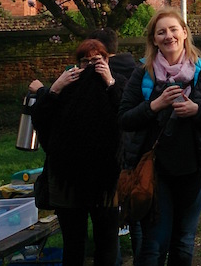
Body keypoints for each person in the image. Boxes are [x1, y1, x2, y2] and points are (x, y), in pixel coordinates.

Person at [118, 8, 201, 266]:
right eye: (161, 32)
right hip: (155, 170)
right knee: (155, 242)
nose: (169, 36)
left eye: (173, 29)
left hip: (195, 167)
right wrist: (154, 105)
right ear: (154, 40)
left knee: (184, 241)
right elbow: (124, 118)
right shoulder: (143, 73)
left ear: (185, 33)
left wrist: (197, 111)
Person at [29, 39, 123, 266]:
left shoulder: (116, 84)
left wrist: (110, 81)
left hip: (106, 177)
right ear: (77, 64)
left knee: (107, 241)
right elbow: (40, 119)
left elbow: (125, 113)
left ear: (107, 60)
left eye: (96, 61)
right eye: (85, 62)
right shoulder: (66, 87)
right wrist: (54, 88)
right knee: (73, 243)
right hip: (67, 179)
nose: (90, 67)